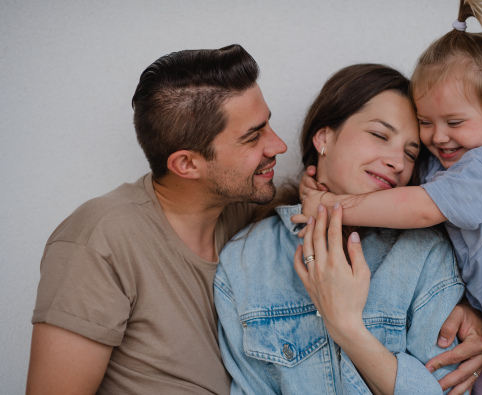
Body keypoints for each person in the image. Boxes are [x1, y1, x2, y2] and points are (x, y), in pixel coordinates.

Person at [295, 1, 482, 394]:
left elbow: (418, 208)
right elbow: (391, 191)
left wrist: (328, 204)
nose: (438, 137)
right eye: (426, 122)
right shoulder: (442, 162)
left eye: (454, 122)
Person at [26, 44, 288, 394]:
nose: (278, 145)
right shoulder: (98, 241)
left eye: (268, 123)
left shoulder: (248, 213)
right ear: (187, 165)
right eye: (253, 136)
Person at [215, 63, 482, 394]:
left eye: (411, 155)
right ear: (324, 138)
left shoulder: (424, 253)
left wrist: (347, 328)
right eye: (380, 135)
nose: (397, 163)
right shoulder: (245, 260)